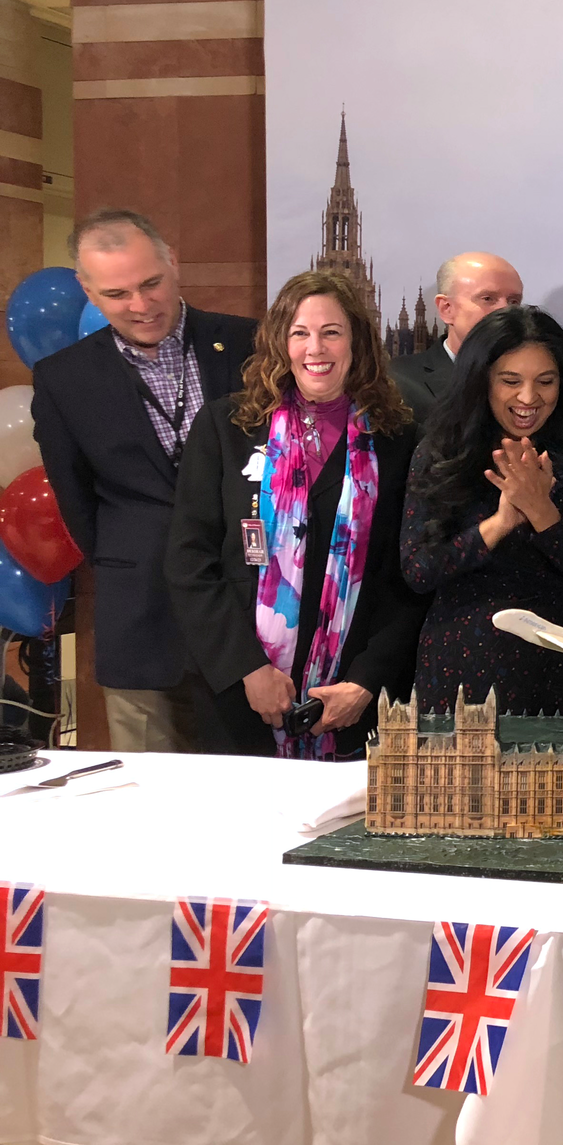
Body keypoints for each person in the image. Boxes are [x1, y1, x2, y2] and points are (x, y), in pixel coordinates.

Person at [166, 271, 424, 758]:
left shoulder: (397, 440)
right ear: (279, 343)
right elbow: (190, 561)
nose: (315, 348)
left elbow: (406, 578)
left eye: (332, 332)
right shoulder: (227, 426)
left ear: (358, 343)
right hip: (240, 693)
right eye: (299, 333)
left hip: (351, 699)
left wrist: (366, 682)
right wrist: (248, 669)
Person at [32, 209, 255, 753]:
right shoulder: (63, 379)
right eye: (116, 293)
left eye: (151, 283)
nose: (140, 305)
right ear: (88, 290)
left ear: (173, 262)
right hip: (140, 622)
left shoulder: (250, 344)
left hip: (251, 615)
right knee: (153, 799)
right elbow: (79, 505)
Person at [400, 306, 563, 715]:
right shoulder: (443, 452)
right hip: (463, 664)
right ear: (481, 381)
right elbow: (419, 570)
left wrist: (541, 512)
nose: (529, 398)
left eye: (546, 382)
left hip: (562, 667)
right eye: (511, 381)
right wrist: (498, 524)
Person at [388, 252, 525, 422]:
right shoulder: (398, 381)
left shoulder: (539, 381)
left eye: (513, 301)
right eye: (488, 299)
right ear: (447, 308)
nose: (506, 312)